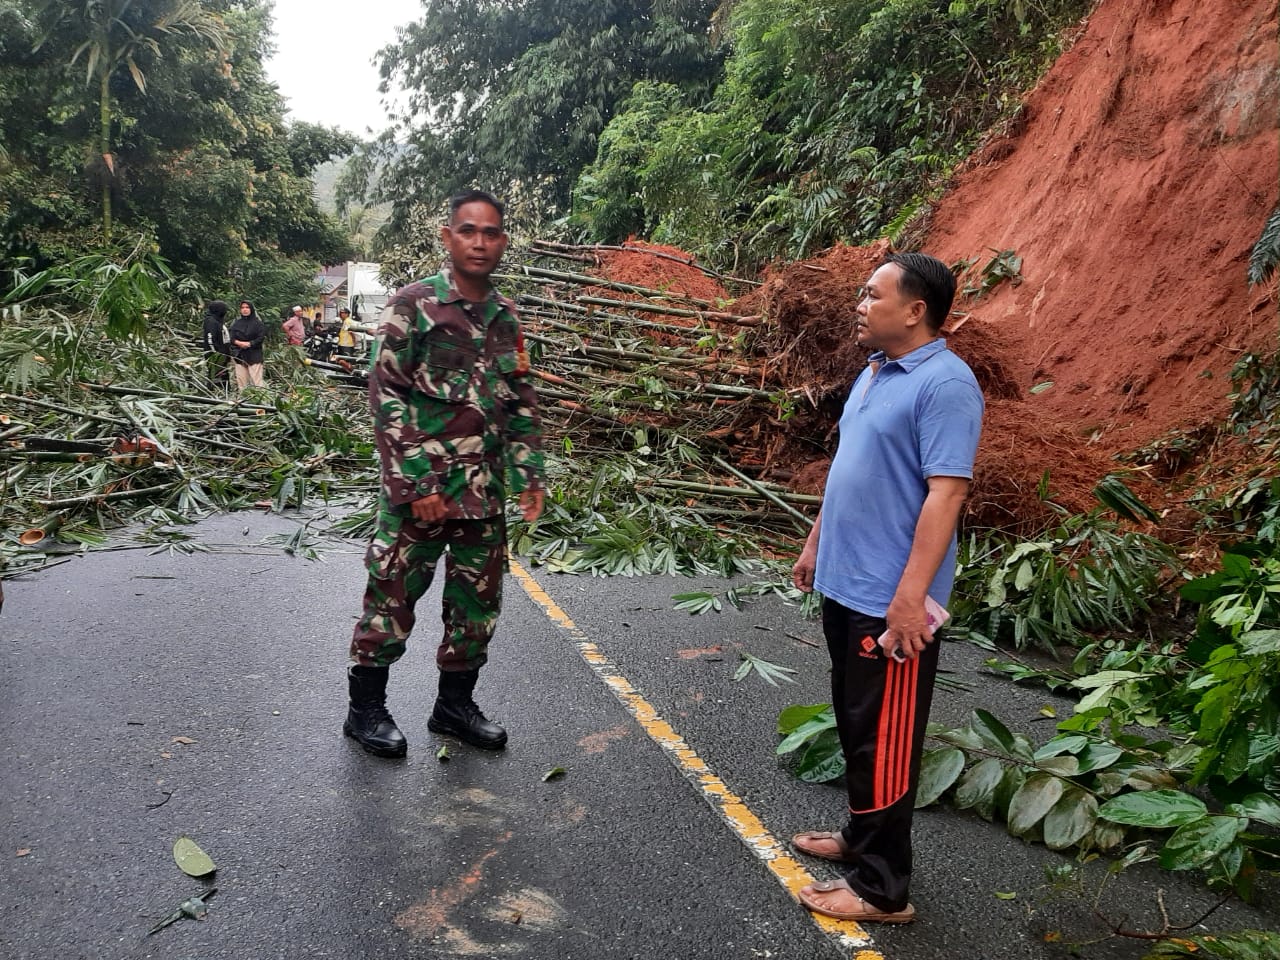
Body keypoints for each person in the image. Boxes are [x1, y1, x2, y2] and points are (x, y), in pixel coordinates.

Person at [789, 252, 984, 924]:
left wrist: (910, 597)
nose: (860, 304)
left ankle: (883, 889)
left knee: (888, 740)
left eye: (873, 295)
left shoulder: (946, 385)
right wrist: (817, 542)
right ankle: (858, 838)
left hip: (891, 600)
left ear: (915, 310)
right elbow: (850, 466)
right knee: (855, 722)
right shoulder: (875, 372)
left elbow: (947, 493)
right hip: (847, 583)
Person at [344, 189, 544, 759]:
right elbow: (387, 397)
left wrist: (530, 472)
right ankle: (365, 711)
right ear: (448, 236)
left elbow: (519, 400)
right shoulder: (414, 305)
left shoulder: (505, 318)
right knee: (391, 600)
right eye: (469, 231)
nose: (480, 242)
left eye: (491, 233)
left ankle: (453, 707)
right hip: (421, 499)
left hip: (483, 497)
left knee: (477, 608)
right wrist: (416, 484)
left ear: (502, 240)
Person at [228, 299, 266, 390]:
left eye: (247, 307)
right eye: (242, 308)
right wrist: (239, 343)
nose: (245, 310)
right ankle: (243, 401)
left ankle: (260, 401)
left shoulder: (258, 323)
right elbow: (231, 338)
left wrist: (250, 343)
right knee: (241, 382)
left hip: (254, 354)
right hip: (240, 355)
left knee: (257, 382)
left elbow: (261, 338)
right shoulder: (236, 323)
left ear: (251, 309)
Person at [200, 300, 231, 383]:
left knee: (223, 376)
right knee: (216, 377)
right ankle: (215, 393)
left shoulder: (217, 321)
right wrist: (216, 354)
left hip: (222, 356)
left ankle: (223, 393)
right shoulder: (211, 321)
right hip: (215, 356)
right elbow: (210, 339)